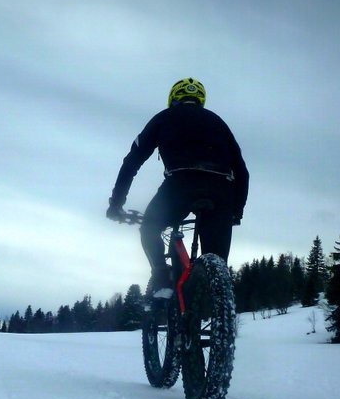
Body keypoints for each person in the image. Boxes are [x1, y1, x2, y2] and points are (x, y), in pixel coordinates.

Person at [106, 78, 249, 299]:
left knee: (149, 228)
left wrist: (116, 203)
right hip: (221, 191)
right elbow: (242, 171)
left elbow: (132, 161)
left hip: (180, 185)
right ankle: (220, 312)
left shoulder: (163, 118)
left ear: (173, 98)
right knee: (217, 267)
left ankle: (162, 279)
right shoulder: (218, 122)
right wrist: (236, 211)